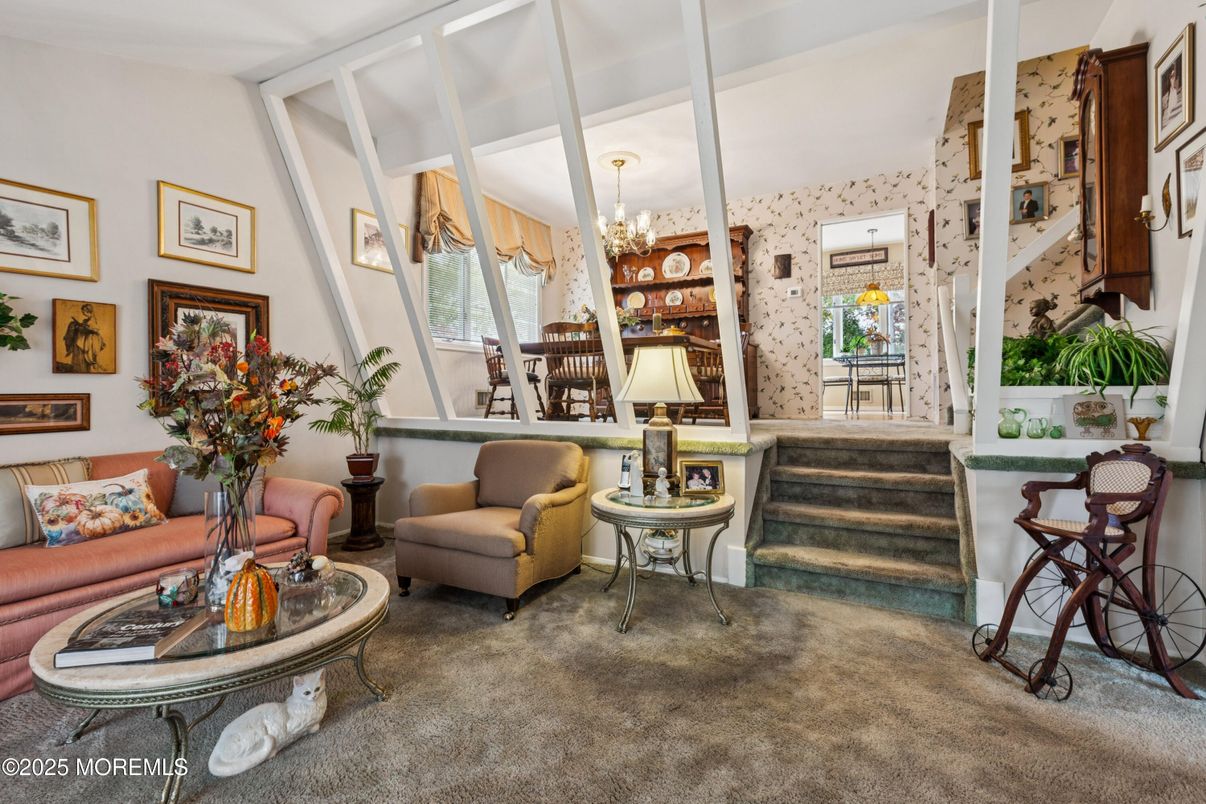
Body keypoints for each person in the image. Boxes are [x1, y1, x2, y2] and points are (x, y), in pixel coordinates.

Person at [62, 303, 105, 372]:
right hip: (83, 339)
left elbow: (93, 329)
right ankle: (79, 368)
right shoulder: (87, 320)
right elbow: (84, 327)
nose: (83, 313)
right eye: (82, 312)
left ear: (88, 311)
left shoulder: (93, 320)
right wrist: (79, 326)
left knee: (85, 355)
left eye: (83, 311)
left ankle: (84, 369)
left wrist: (81, 327)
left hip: (88, 341)